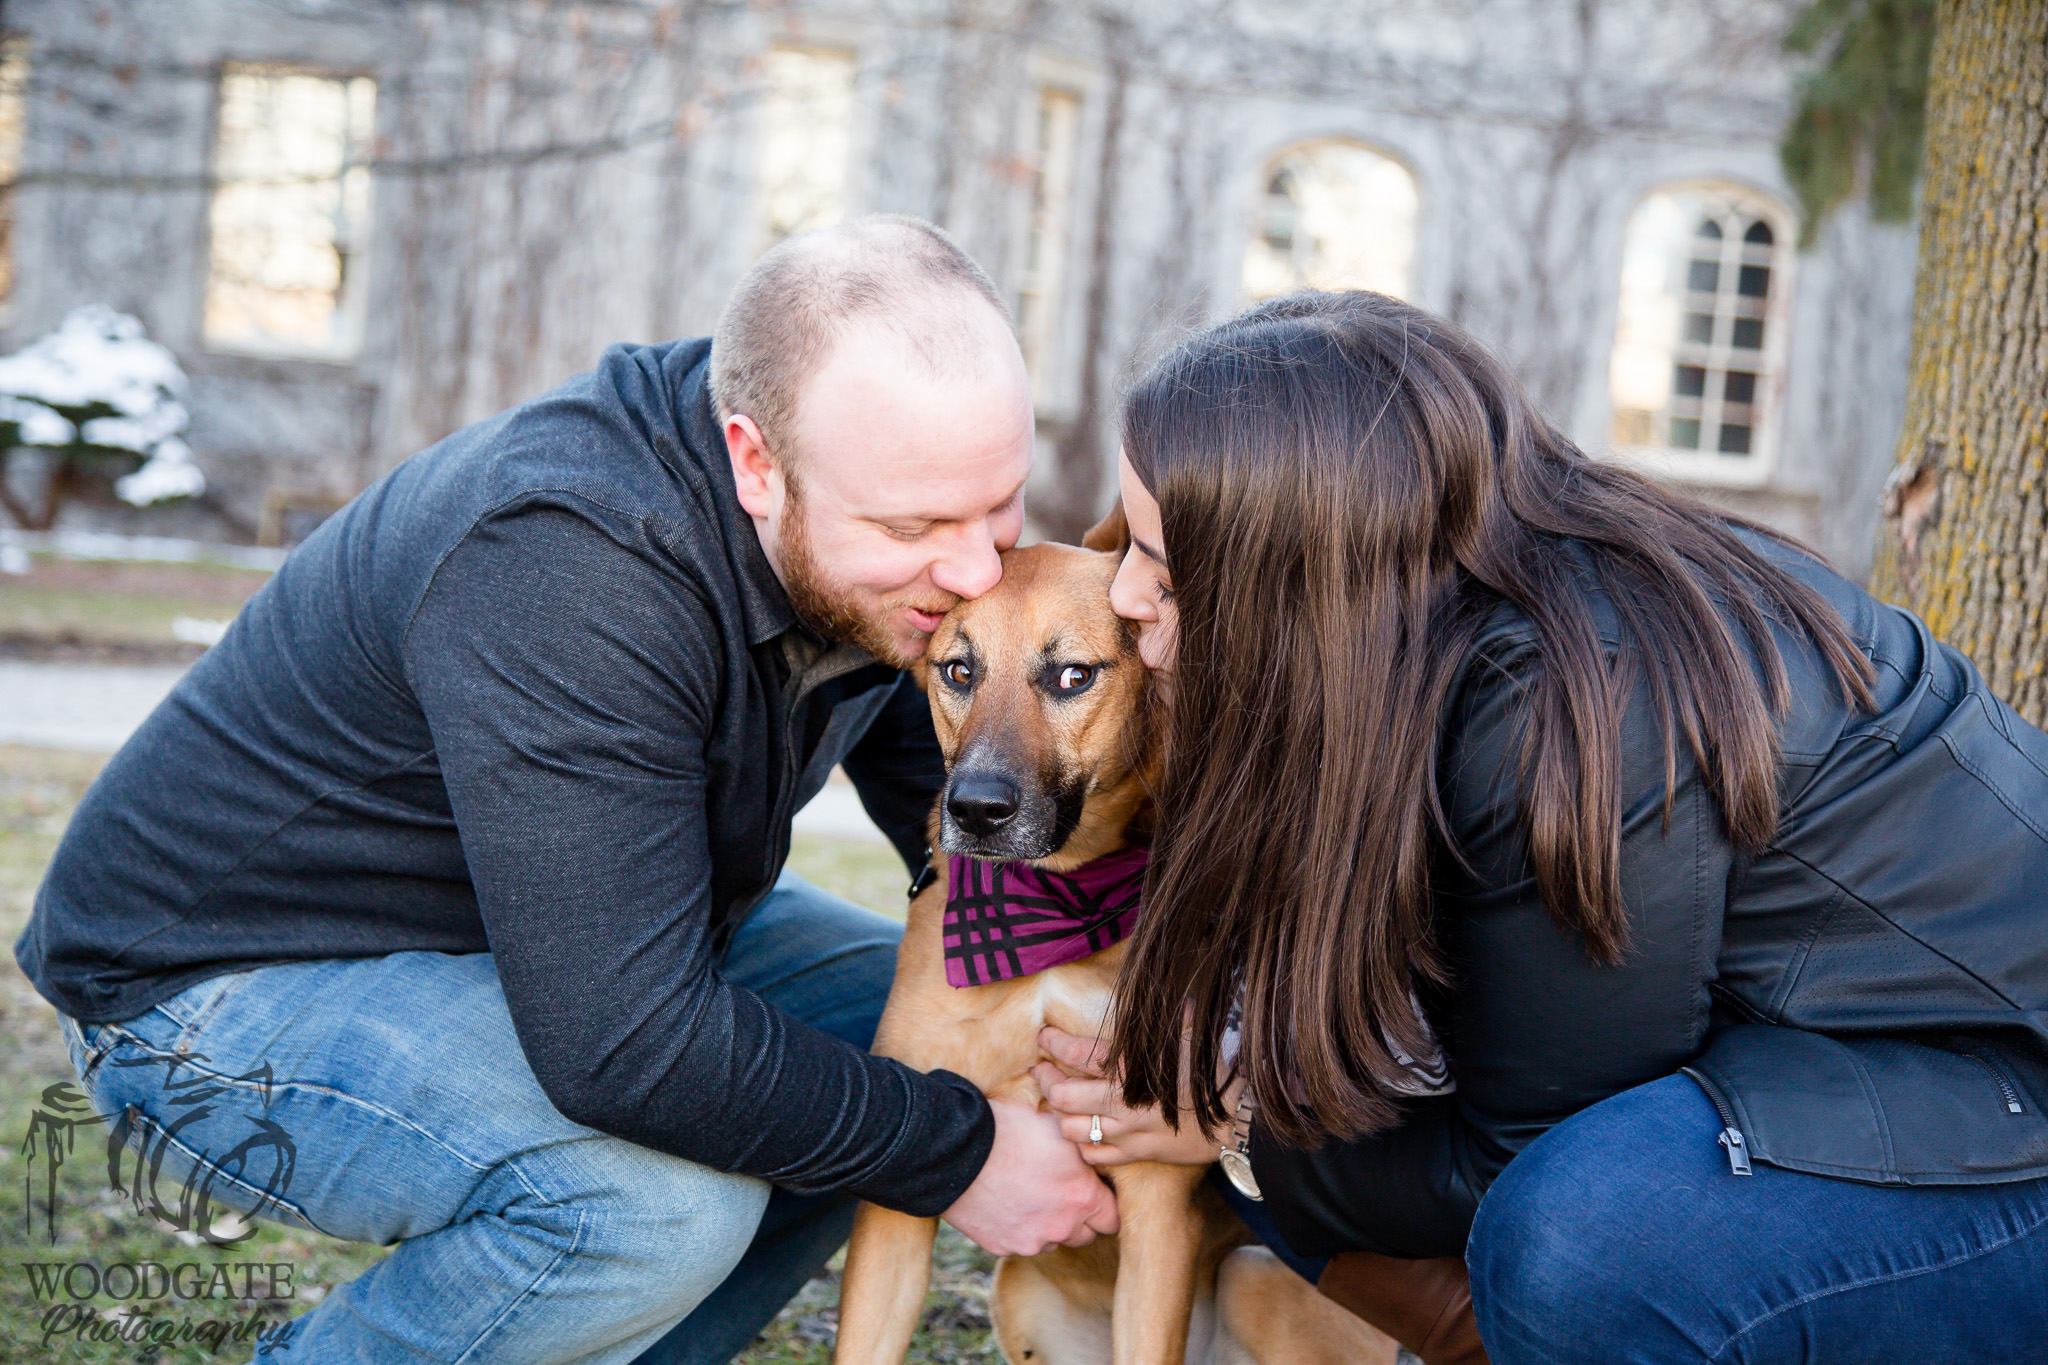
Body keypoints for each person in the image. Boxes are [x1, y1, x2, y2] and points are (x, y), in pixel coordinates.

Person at [16, 215, 1117, 1365]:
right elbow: (626, 1049)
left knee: (882, 1035)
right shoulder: (566, 563)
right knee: (655, 1211)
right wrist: (961, 1148)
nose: (974, 568)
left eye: (998, 503)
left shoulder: (863, 534)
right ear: (755, 462)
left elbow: (944, 814)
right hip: (215, 997)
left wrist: (1113, 1006)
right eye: (916, 525)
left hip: (539, 933)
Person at [1033, 289, 2048, 1364]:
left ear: (1298, 570)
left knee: (1578, 1240)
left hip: (2000, 1098)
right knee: (1324, 1138)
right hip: (1836, 1056)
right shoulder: (1445, 621)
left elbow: (1511, 1149)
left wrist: (1232, 1131)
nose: (1127, 592)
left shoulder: (1574, 703)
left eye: (1160, 557)